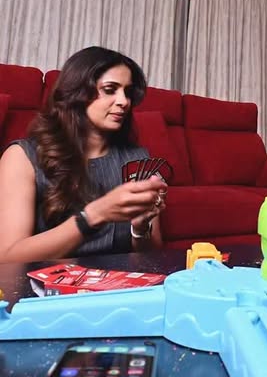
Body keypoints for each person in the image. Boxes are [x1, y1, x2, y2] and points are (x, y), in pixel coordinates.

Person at [0, 46, 168, 262]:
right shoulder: (22, 157)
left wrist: (140, 228)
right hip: (47, 281)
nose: (124, 101)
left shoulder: (137, 160)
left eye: (127, 92)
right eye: (110, 89)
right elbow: (7, 257)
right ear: (77, 92)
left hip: (119, 280)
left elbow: (150, 259)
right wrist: (93, 215)